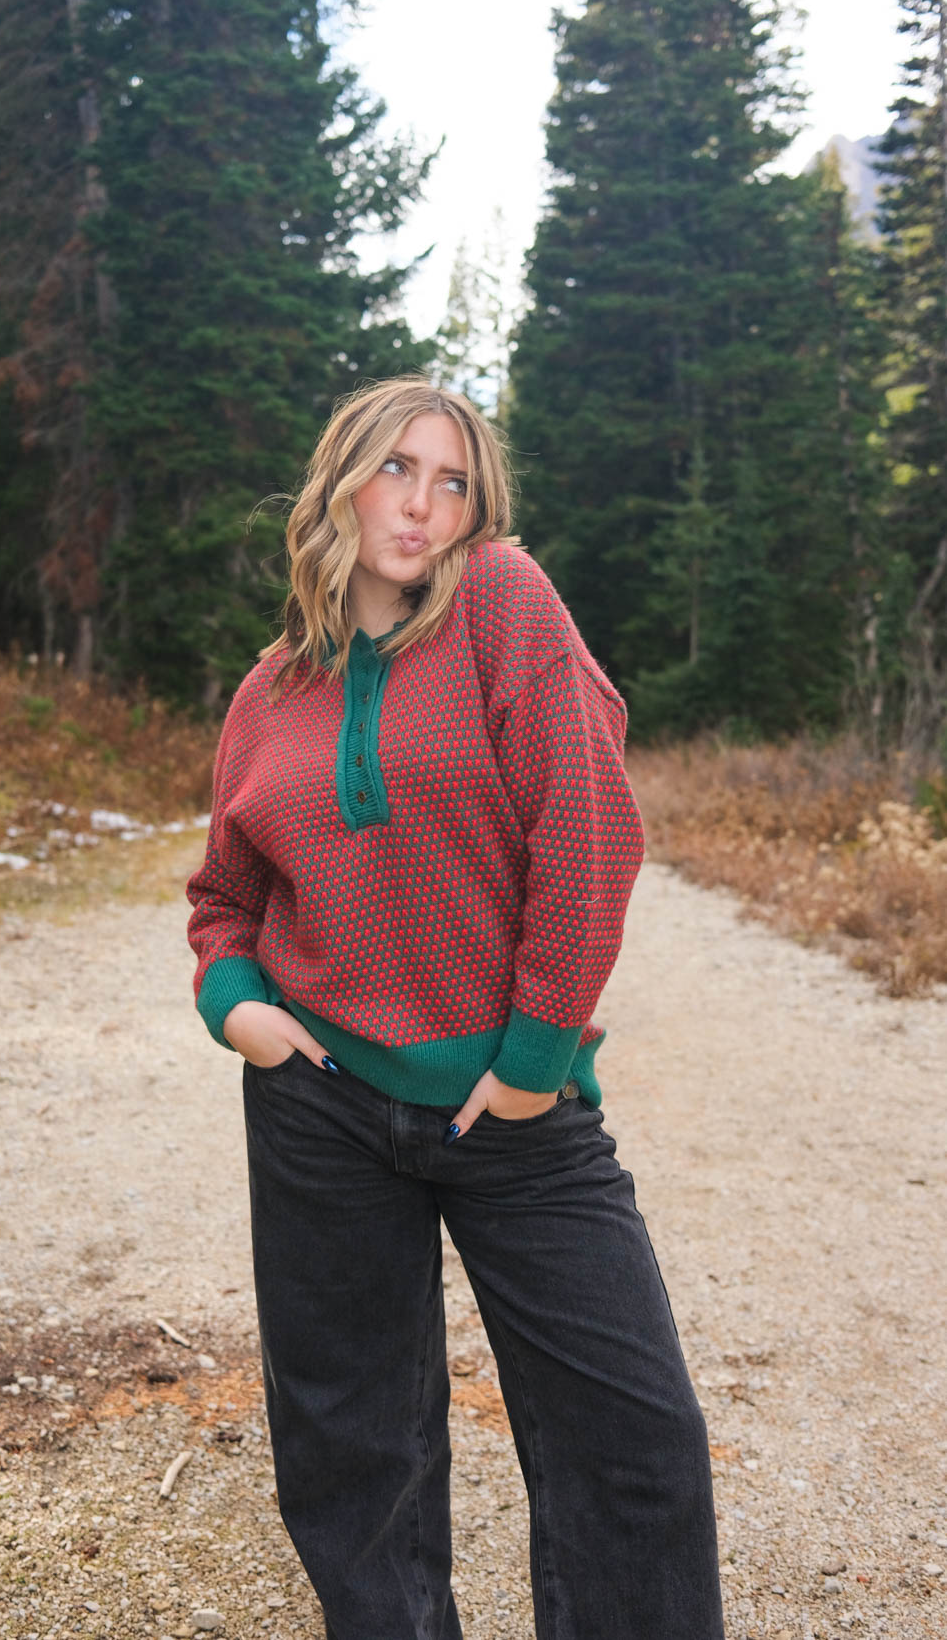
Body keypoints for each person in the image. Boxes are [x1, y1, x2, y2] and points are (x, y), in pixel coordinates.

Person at [186, 377, 724, 1640]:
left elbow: (586, 828)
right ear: (338, 482)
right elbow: (225, 892)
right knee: (351, 1455)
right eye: (394, 471)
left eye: (452, 482)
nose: (420, 506)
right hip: (319, 1108)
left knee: (634, 1440)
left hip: (513, 1111)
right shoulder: (268, 692)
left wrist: (538, 1054)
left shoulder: (501, 603)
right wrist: (234, 1005)